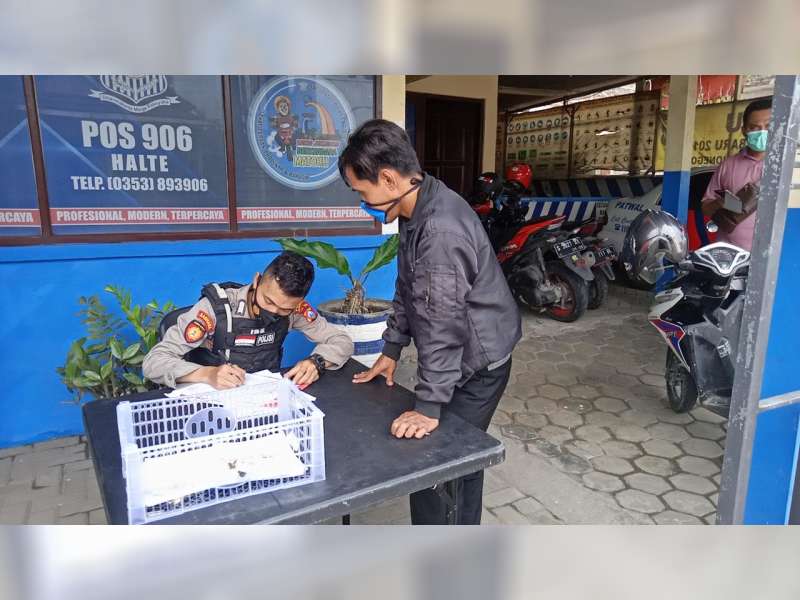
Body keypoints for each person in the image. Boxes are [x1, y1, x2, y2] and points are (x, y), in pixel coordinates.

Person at [339, 119, 522, 525]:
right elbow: (408, 287)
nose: (362, 202)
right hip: (462, 346)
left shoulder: (440, 230)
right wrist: (391, 349)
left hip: (479, 360)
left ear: (388, 178)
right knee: (454, 460)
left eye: (361, 191)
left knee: (439, 465)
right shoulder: (417, 205)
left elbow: (442, 326)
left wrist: (428, 406)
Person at [143, 251, 353, 390]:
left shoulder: (295, 311)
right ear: (257, 281)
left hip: (264, 399)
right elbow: (154, 362)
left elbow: (341, 341)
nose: (274, 311)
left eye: (284, 308)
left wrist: (317, 362)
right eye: (268, 301)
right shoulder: (216, 308)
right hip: (211, 403)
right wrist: (207, 374)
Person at [701, 98, 772, 252]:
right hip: (730, 257)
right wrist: (721, 202)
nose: (761, 132)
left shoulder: (786, 167)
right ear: (744, 130)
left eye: (768, 126)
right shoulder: (728, 165)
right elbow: (705, 207)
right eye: (754, 127)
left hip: (771, 259)